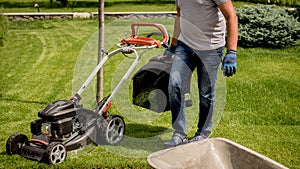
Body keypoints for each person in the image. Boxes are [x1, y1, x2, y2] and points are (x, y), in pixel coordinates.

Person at [163, 0, 238, 148]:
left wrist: (231, 52)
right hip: (185, 46)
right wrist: (173, 45)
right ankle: (180, 133)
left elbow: (232, 17)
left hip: (211, 48)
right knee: (174, 84)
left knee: (206, 93)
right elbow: (180, 16)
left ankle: (203, 134)